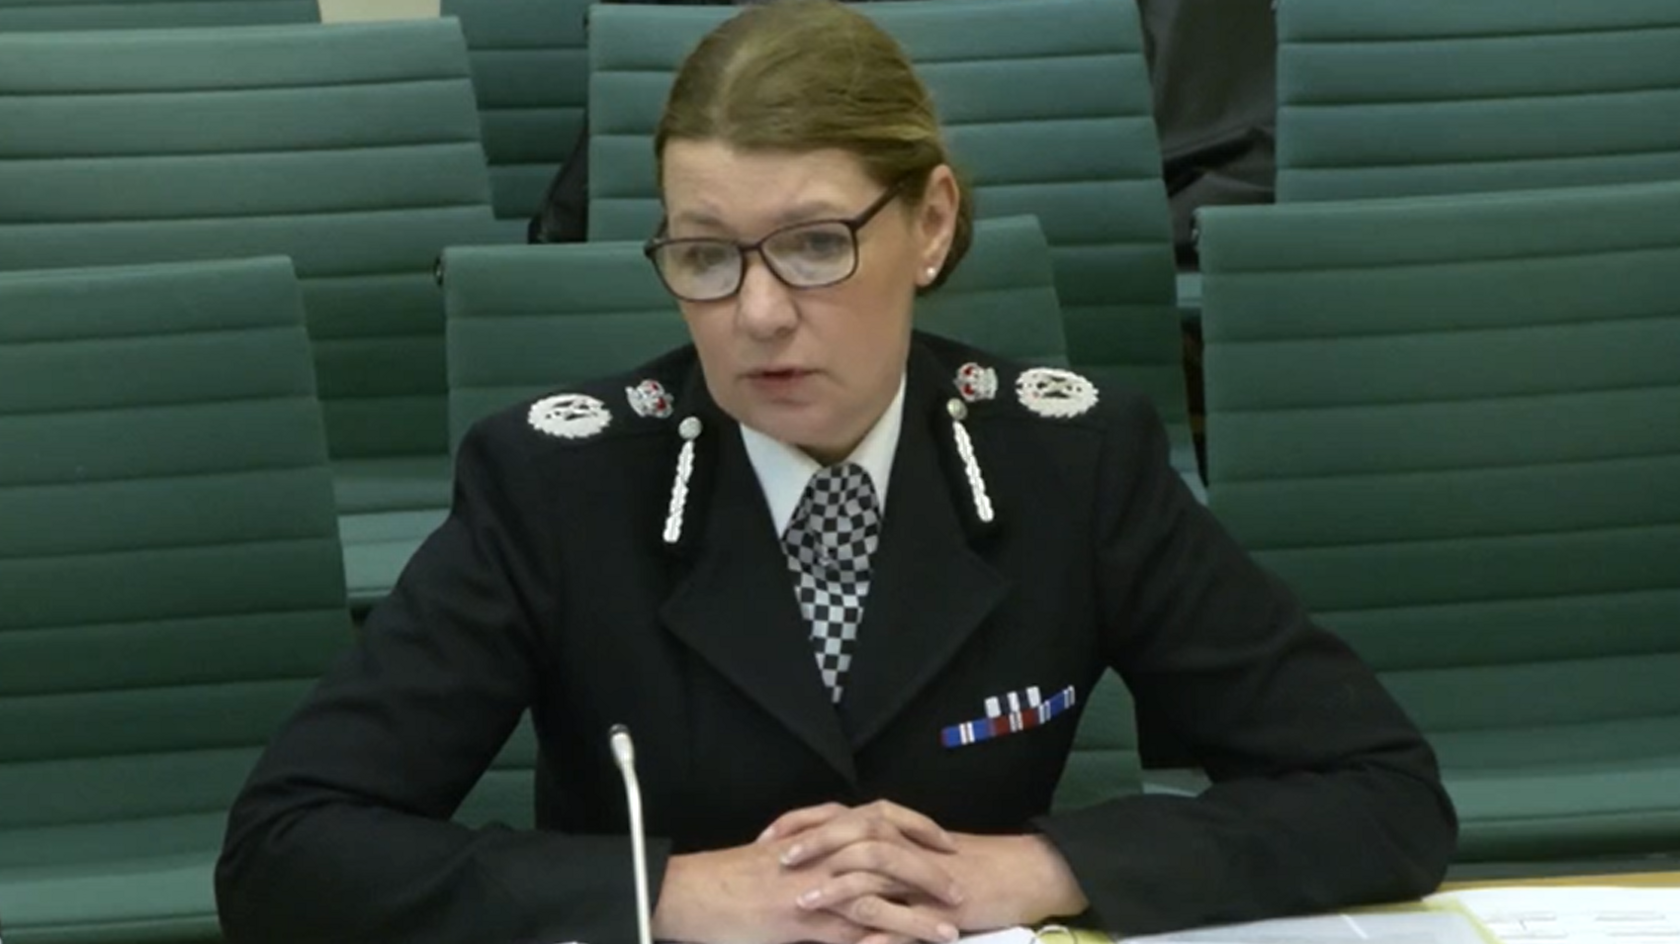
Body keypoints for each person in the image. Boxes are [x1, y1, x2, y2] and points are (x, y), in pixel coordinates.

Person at [214, 2, 1457, 943]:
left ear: (929, 225)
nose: (756, 314)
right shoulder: (558, 483)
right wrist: (674, 891)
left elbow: (1381, 793)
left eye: (812, 245)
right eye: (704, 255)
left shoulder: (1070, 460)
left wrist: (1033, 866)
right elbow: (287, 848)